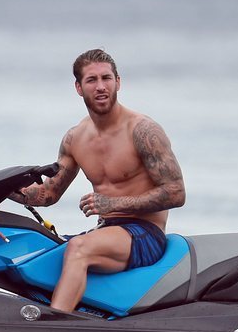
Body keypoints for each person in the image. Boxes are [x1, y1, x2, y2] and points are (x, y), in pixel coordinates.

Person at [10, 48, 186, 313]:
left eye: (107, 78)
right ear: (79, 88)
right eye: (92, 80)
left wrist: (113, 203)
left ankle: (53, 330)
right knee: (33, 247)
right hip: (105, 231)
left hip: (145, 234)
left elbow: (176, 193)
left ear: (118, 82)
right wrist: (4, 190)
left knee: (79, 248)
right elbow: (48, 194)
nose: (101, 87)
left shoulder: (143, 131)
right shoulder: (76, 138)